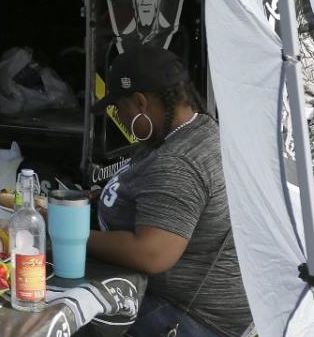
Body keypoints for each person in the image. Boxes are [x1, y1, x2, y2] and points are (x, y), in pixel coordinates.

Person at [88, 45, 253, 337]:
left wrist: (68, 236)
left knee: (75, 320)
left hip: (193, 317)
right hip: (212, 309)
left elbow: (152, 253)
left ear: (140, 103)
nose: (119, 117)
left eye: (119, 108)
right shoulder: (198, 129)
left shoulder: (178, 161)